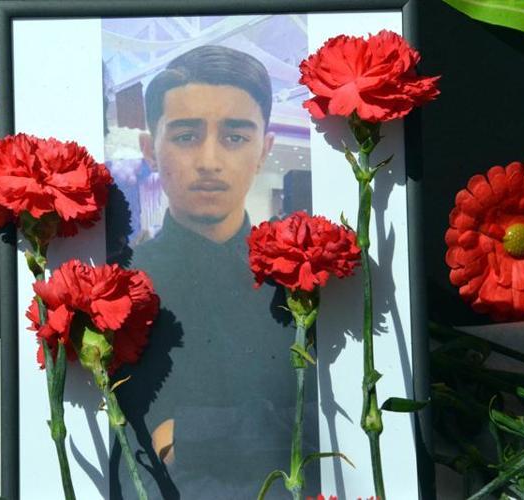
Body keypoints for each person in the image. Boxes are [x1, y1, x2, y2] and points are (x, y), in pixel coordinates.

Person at [111, 45, 319, 499]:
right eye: (186, 136)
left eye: (235, 137)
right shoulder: (121, 287)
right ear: (150, 149)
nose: (209, 161)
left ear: (263, 150)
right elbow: (122, 446)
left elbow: (330, 421)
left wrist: (191, 435)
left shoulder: (303, 279)